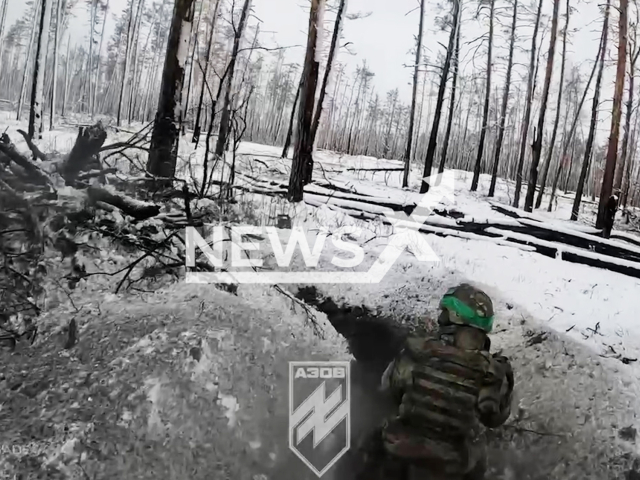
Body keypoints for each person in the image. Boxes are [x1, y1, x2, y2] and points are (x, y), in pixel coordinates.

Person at [356, 283, 514, 480]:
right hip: (451, 465)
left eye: (444, 313)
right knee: (478, 455)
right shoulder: (492, 369)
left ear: (453, 317)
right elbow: (494, 418)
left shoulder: (419, 350)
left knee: (370, 445)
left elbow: (390, 389)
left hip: (400, 451)